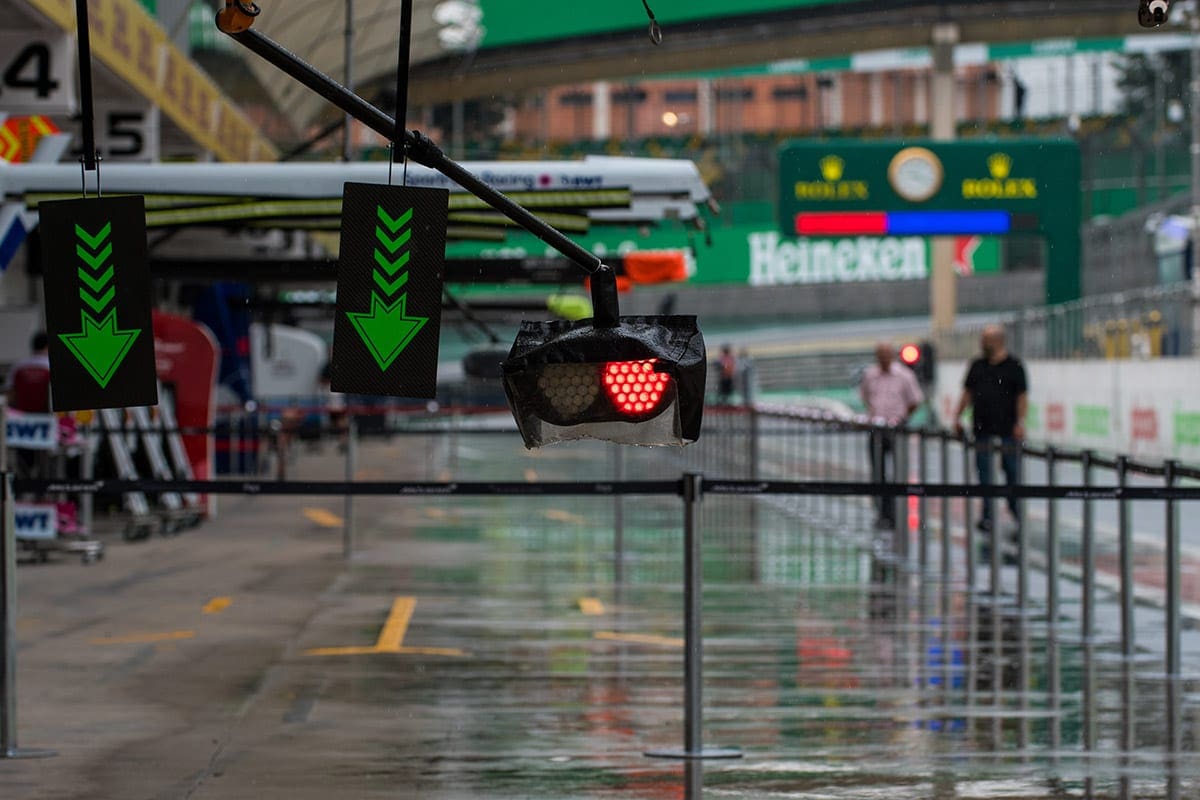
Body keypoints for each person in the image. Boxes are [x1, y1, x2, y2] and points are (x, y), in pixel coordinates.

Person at [952, 325, 1028, 533]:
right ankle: (987, 515)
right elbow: (967, 393)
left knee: (1012, 471)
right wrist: (957, 417)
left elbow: (1022, 397)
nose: (983, 344)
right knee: (984, 475)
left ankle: (1016, 510)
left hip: (1007, 428)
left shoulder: (1013, 366)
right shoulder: (978, 366)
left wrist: (1020, 423)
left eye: (987, 340)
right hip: (982, 428)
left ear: (999, 340)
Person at [859, 342, 923, 529]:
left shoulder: (904, 375)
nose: (884, 359)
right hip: (876, 428)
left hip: (896, 428)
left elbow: (915, 400)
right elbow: (865, 396)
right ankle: (883, 512)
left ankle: (896, 512)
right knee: (878, 472)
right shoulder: (870, 375)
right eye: (881, 355)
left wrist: (901, 418)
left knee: (897, 472)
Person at [5, 331, 51, 413]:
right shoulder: (50, 366)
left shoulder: (17, 366)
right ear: (47, 346)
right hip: (46, 417)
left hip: (21, 419)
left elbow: (10, 396)